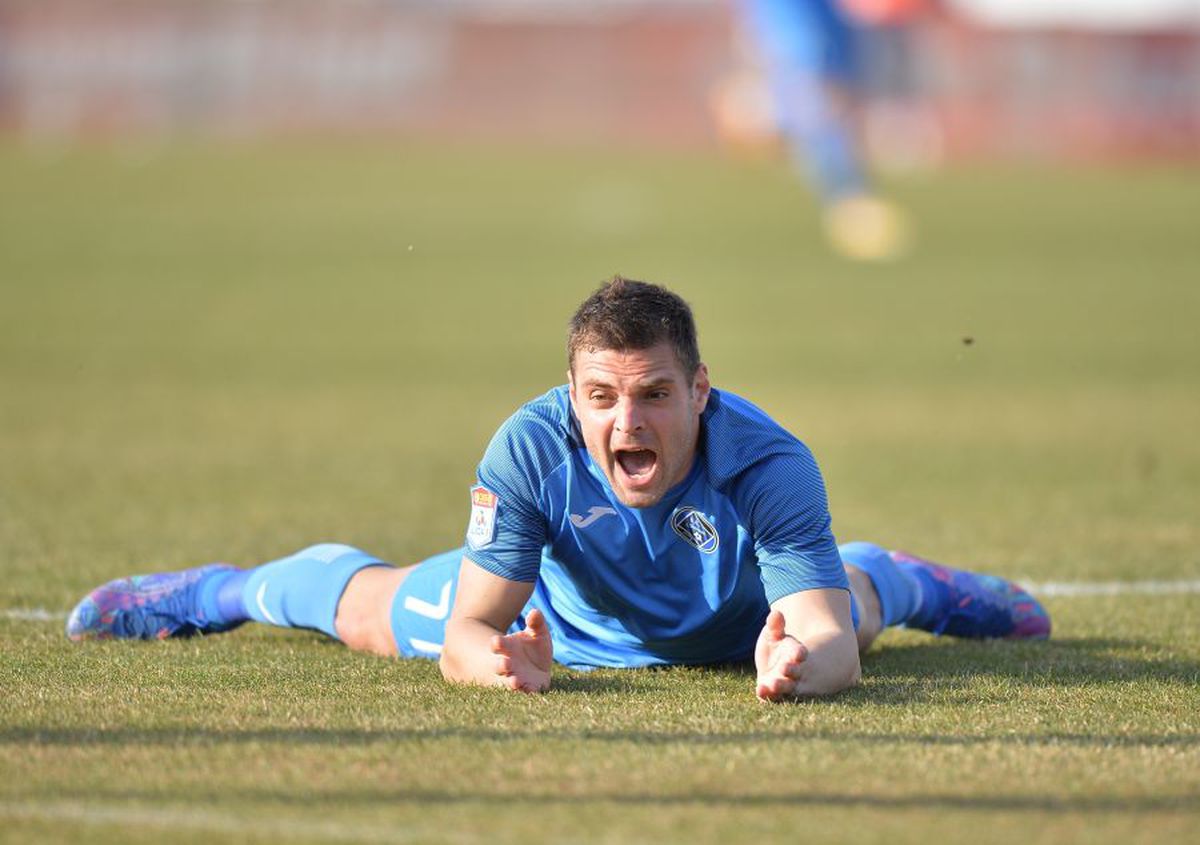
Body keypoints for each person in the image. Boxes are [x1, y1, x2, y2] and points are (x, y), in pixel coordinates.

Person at [66, 277, 1049, 701]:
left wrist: (800, 664)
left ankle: (911, 578)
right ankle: (220, 592)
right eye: (603, 397)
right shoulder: (530, 447)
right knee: (370, 611)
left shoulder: (767, 458)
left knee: (857, 604)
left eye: (657, 394)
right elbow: (467, 629)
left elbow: (829, 644)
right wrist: (493, 662)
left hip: (747, 620)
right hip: (564, 621)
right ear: (572, 396)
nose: (629, 422)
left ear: (699, 390)